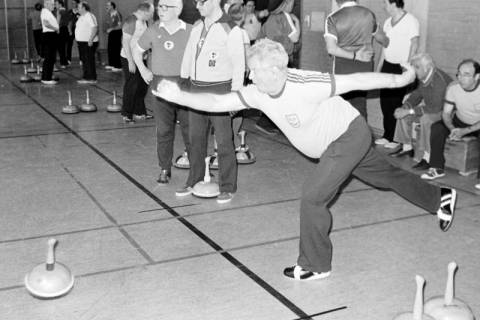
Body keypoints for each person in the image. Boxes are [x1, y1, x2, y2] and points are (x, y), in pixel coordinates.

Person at [152, 38, 457, 280]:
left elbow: (361, 80)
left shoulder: (307, 83)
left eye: (255, 70)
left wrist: (403, 78)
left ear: (275, 70)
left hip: (347, 136)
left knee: (312, 198)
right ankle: (441, 197)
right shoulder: (258, 91)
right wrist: (178, 95)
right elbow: (219, 102)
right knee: (386, 176)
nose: (250, 75)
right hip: (338, 143)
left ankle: (316, 264)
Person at [177, 0, 245, 204]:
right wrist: (183, 79)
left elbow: (239, 64)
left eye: (201, 2)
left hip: (220, 90)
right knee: (195, 138)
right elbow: (189, 54)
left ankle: (228, 186)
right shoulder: (198, 26)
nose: (197, 6)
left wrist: (235, 97)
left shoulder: (230, 28)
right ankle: (194, 179)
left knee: (224, 141)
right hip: (196, 89)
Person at [132, 0, 191, 184]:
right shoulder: (153, 30)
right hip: (161, 86)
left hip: (184, 85)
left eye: (166, 7)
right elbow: (137, 50)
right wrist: (143, 70)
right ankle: (165, 168)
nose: (161, 10)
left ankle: (198, 169)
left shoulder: (190, 30)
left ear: (178, 9)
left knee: (191, 129)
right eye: (160, 7)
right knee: (164, 130)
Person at [421, 59, 480, 191]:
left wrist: (464, 131)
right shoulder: (453, 88)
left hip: (477, 124)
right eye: (459, 74)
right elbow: (446, 114)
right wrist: (453, 129)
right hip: (460, 120)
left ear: (477, 76)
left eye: (466, 74)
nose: (461, 78)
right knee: (437, 127)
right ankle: (436, 168)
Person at [389, 53, 452, 170]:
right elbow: (416, 96)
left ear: (427, 68)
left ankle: (427, 157)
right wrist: (405, 107)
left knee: (426, 119)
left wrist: (409, 111)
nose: (413, 70)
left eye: (417, 67)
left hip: (446, 113)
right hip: (432, 109)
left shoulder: (439, 81)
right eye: (413, 67)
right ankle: (407, 148)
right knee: (404, 112)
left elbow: (436, 108)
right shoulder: (423, 77)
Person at [324, 0, 385, 119]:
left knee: (341, 109)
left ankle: (344, 136)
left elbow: (331, 49)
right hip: (364, 68)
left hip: (343, 70)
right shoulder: (369, 14)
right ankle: (363, 136)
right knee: (360, 106)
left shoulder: (332, 18)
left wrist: (355, 55)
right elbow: (382, 39)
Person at [375, 0, 419, 148]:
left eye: (385, 3)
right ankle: (387, 135)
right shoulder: (387, 21)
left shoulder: (410, 20)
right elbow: (385, 46)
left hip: (401, 66)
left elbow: (414, 44)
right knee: (385, 102)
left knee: (395, 102)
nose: (384, 6)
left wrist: (408, 66)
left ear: (394, 3)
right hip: (387, 64)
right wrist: (379, 67)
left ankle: (396, 139)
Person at [255, 0, 300, 135]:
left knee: (278, 93)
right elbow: (291, 40)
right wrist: (297, 23)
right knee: (279, 93)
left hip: (275, 61)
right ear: (285, 3)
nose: (294, 4)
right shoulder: (280, 18)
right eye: (292, 2)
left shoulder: (277, 18)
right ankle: (267, 122)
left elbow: (260, 38)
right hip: (277, 61)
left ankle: (270, 122)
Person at [120, 2, 154, 123]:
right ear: (144, 12)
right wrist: (130, 61)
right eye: (150, 13)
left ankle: (139, 112)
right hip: (129, 58)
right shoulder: (131, 21)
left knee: (142, 85)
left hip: (140, 58)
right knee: (132, 86)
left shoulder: (144, 21)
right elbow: (125, 43)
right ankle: (126, 114)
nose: (151, 16)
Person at [75, 1, 99, 84]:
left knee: (88, 60)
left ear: (84, 8)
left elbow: (95, 28)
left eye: (79, 7)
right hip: (82, 42)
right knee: (85, 60)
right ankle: (86, 76)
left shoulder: (89, 16)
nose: (77, 9)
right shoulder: (82, 16)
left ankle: (91, 78)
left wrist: (91, 39)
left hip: (88, 42)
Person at [40, 0, 59, 85]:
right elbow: (46, 23)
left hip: (51, 35)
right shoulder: (45, 12)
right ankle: (46, 78)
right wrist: (55, 29)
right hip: (49, 36)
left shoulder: (48, 12)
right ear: (46, 4)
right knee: (49, 58)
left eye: (54, 4)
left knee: (50, 57)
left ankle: (47, 77)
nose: (54, 6)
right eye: (52, 4)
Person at [104, 1, 123, 71]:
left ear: (112, 6)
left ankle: (118, 66)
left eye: (108, 5)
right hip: (111, 33)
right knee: (110, 48)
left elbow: (120, 26)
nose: (106, 7)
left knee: (116, 49)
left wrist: (111, 29)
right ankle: (112, 64)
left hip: (117, 32)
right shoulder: (109, 14)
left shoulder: (117, 14)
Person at [55, 0, 70, 68]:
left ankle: (63, 63)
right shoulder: (67, 11)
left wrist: (56, 29)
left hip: (60, 29)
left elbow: (58, 22)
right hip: (65, 29)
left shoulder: (59, 11)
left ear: (60, 4)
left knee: (60, 47)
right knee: (63, 47)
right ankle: (65, 62)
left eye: (56, 4)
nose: (55, 5)